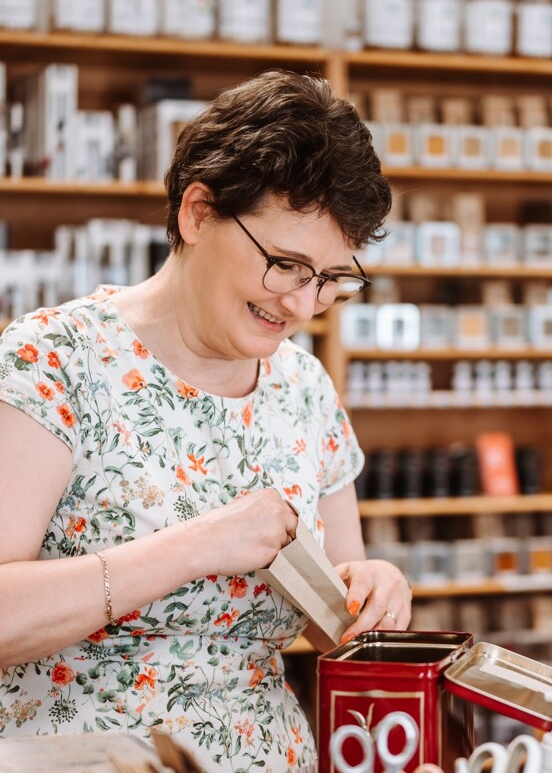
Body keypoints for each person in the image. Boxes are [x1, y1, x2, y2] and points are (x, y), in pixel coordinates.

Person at [0, 70, 411, 771]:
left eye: (332, 279)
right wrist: (197, 545)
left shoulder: (305, 388)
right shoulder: (52, 363)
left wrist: (374, 591)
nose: (304, 306)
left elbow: (334, 617)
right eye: (286, 264)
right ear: (198, 212)